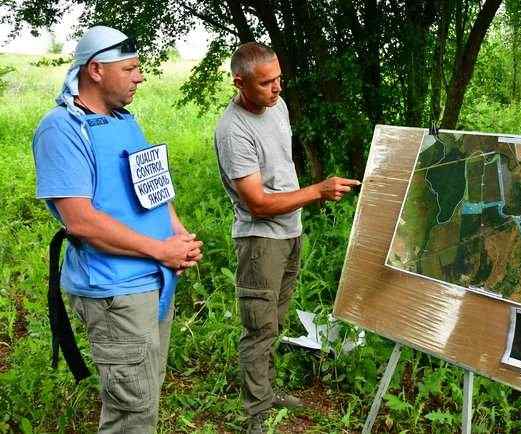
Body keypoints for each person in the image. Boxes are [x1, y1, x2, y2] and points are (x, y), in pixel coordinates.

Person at [32, 26, 202, 433]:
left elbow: (154, 187)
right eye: (130, 69)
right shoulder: (62, 129)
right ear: (95, 70)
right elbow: (81, 220)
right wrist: (160, 250)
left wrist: (176, 234)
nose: (139, 77)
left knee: (146, 391)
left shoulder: (125, 120)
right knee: (132, 410)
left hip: (154, 279)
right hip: (115, 290)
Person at [214, 42, 360, 433]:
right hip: (261, 241)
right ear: (240, 83)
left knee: (274, 322)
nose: (278, 88)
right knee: (259, 328)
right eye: (266, 83)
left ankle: (266, 390)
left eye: (279, 78)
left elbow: (280, 165)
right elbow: (258, 204)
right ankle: (255, 416)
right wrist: (316, 191)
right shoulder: (233, 131)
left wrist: (302, 202)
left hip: (290, 231)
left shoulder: (276, 105)